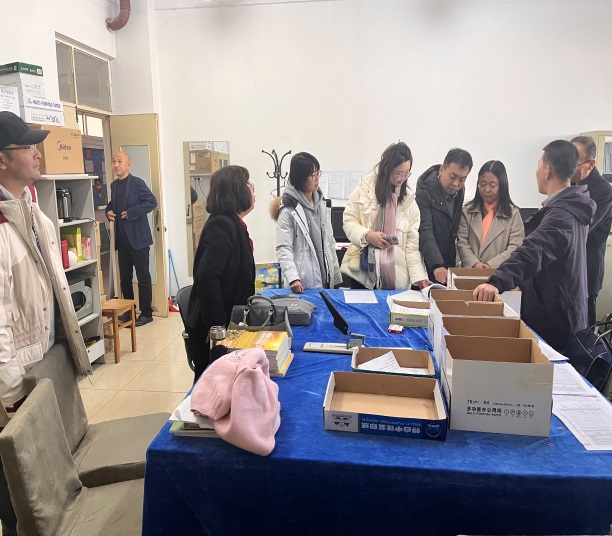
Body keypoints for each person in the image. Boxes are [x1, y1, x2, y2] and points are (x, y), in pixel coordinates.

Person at [0, 111, 92, 535]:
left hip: (46, 365)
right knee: (20, 494)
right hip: (16, 383)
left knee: (52, 482)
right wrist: (11, 396)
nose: (38, 154)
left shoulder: (36, 214)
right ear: (3, 159)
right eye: (27, 147)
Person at [473, 140, 596, 353]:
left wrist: (496, 281)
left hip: (557, 318)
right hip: (562, 309)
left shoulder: (562, 215)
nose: (537, 171)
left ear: (547, 171)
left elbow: (535, 250)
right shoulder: (572, 205)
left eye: (539, 165)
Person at [186, 165, 256, 381]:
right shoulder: (222, 224)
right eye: (248, 184)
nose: (252, 189)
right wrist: (217, 326)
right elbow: (207, 278)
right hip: (217, 327)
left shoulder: (232, 223)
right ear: (236, 191)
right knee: (214, 384)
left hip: (231, 318)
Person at [341, 142, 430, 290]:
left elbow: (412, 247)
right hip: (363, 274)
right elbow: (348, 220)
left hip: (395, 276)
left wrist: (420, 277)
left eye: (406, 173)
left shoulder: (409, 202)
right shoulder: (365, 190)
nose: (402, 178)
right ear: (386, 169)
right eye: (398, 173)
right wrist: (367, 235)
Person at [272, 152, 341, 292]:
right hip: (303, 282)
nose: (317, 179)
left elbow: (329, 241)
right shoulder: (288, 209)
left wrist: (336, 276)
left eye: (318, 173)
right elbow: (284, 248)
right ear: (300, 177)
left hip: (326, 279)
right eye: (312, 175)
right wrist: (293, 278)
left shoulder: (322, 204)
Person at [105, 152, 157, 327]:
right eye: (114, 161)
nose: (116, 165)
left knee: (143, 277)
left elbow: (151, 202)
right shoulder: (114, 185)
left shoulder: (137, 183)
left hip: (139, 239)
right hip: (122, 241)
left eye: (120, 161)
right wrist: (108, 211)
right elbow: (113, 205)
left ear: (128, 165)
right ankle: (129, 312)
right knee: (125, 278)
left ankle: (147, 313)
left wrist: (131, 212)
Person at [571, 136, 612, 325]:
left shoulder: (603, 190)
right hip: (568, 269)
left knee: (584, 327)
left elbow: (583, 227)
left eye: (576, 163)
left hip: (587, 269)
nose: (570, 168)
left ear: (591, 163)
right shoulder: (571, 183)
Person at [416, 148, 472, 284]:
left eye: (462, 179)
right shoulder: (424, 193)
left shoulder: (459, 191)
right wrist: (437, 264)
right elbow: (425, 230)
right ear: (441, 169)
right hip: (426, 265)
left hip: (447, 266)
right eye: (452, 177)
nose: (456, 184)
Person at [457, 160, 525, 269]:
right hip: (471, 272)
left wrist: (491, 265)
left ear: (502, 185)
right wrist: (474, 263)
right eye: (483, 184)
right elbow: (462, 242)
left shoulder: (513, 214)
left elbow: (515, 247)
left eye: (492, 185)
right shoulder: (467, 211)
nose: (487, 189)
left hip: (500, 272)